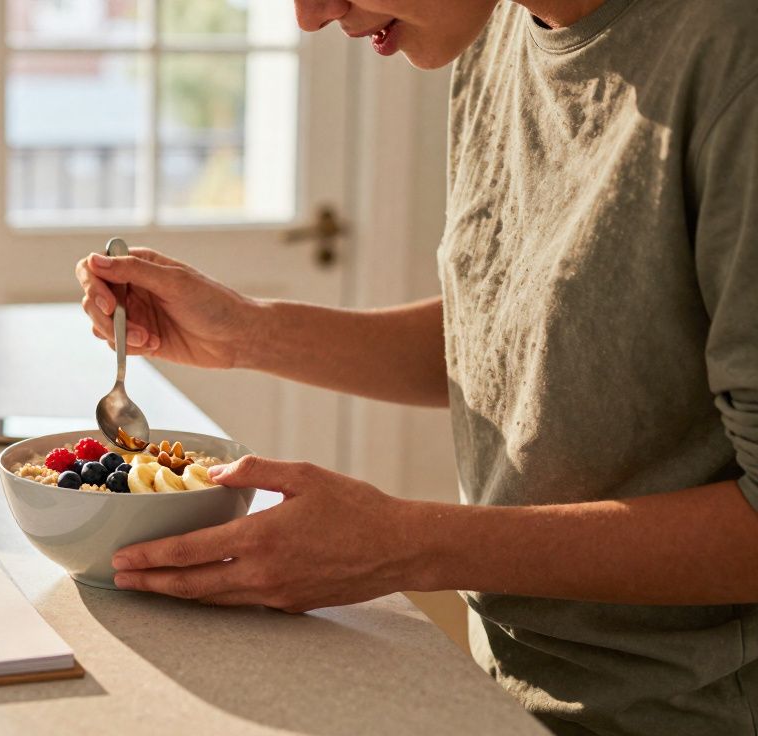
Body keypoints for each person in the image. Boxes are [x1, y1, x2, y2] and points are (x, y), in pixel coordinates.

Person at [75, 1, 758, 733]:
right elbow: (522, 334)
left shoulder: (733, 63)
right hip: (496, 694)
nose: (309, 16)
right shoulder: (495, 33)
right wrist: (246, 333)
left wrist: (404, 545)